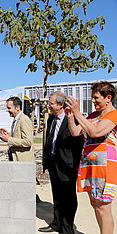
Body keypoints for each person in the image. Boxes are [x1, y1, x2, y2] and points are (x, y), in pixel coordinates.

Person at [66, 81, 117, 234]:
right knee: (95, 203)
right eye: (92, 98)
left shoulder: (114, 114)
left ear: (108, 97)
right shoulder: (93, 115)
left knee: (103, 206)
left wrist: (78, 113)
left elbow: (95, 132)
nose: (93, 101)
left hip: (104, 165)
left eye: (96, 98)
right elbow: (76, 132)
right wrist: (70, 116)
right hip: (89, 163)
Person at [39, 91, 84, 233]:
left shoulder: (74, 119)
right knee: (57, 195)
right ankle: (56, 223)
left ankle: (67, 228)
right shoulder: (51, 119)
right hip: (53, 163)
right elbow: (50, 140)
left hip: (67, 165)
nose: (48, 105)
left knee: (68, 198)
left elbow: (78, 142)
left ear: (60, 104)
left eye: (51, 103)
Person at [0, 96, 35, 161]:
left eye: (9, 108)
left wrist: (9, 139)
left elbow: (28, 141)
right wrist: (8, 134)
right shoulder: (16, 119)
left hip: (23, 161)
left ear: (17, 107)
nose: (7, 110)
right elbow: (18, 136)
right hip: (16, 159)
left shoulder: (24, 119)